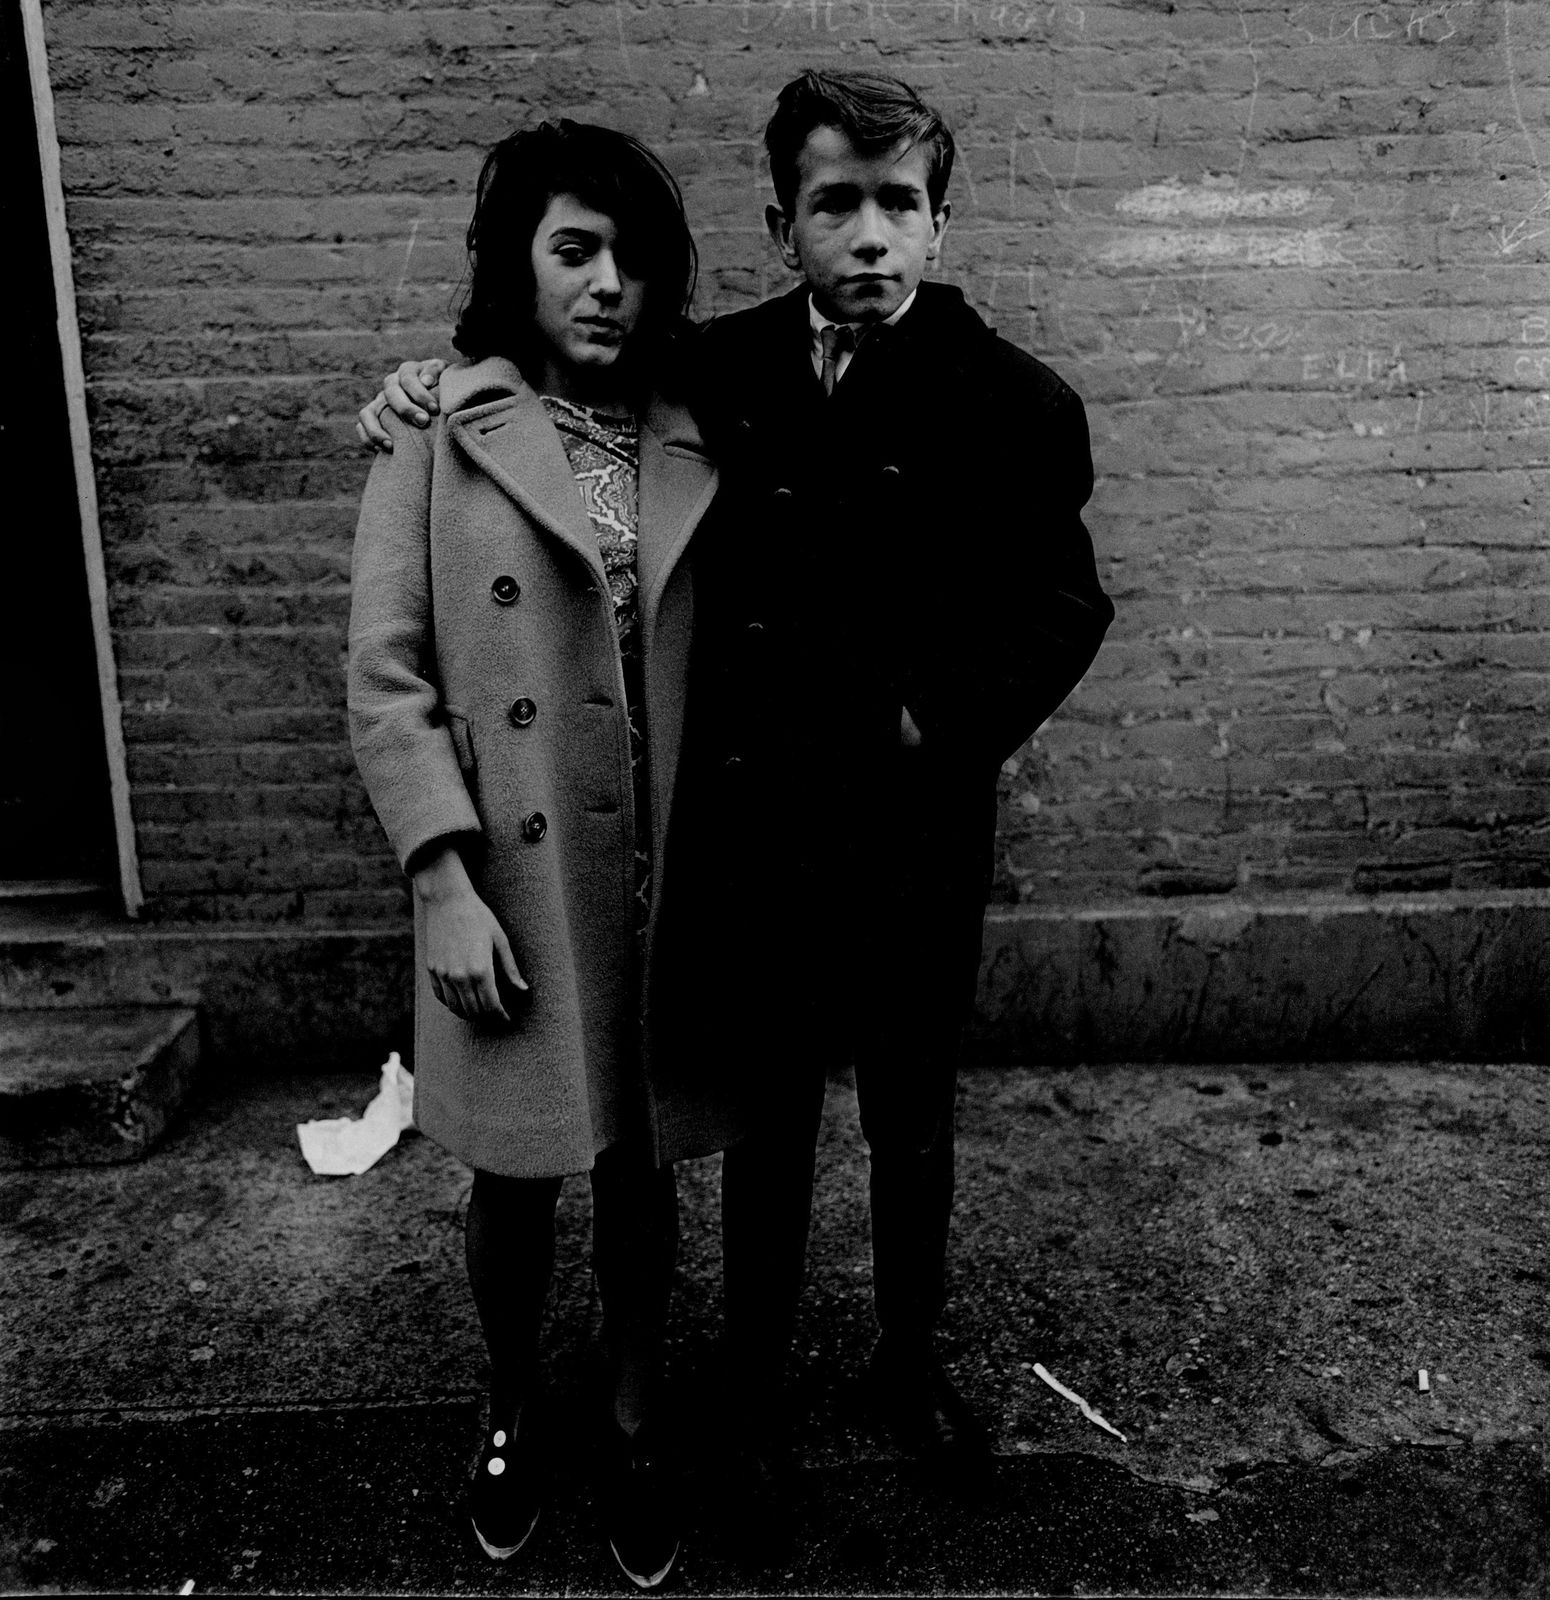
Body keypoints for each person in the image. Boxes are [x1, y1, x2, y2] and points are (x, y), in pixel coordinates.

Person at [359, 67, 1112, 1545]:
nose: (871, 240)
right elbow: (551, 389)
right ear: (782, 223)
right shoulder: (724, 369)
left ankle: (907, 1359)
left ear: (940, 223)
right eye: (837, 205)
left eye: (900, 206)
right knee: (766, 1122)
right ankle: (747, 1384)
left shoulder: (1016, 398)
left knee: (908, 1112)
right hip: (756, 829)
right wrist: (421, 384)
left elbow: (1061, 603)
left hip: (906, 825)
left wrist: (929, 717)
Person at [347, 118, 727, 1589]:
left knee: (639, 1170)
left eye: (635, 259)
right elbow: (385, 678)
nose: (607, 285)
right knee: (515, 1171)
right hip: (510, 877)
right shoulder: (433, 436)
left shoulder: (697, 431)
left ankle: (636, 1409)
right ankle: (511, 1399)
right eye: (574, 250)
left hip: (663, 873)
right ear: (518, 265)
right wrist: (439, 881)